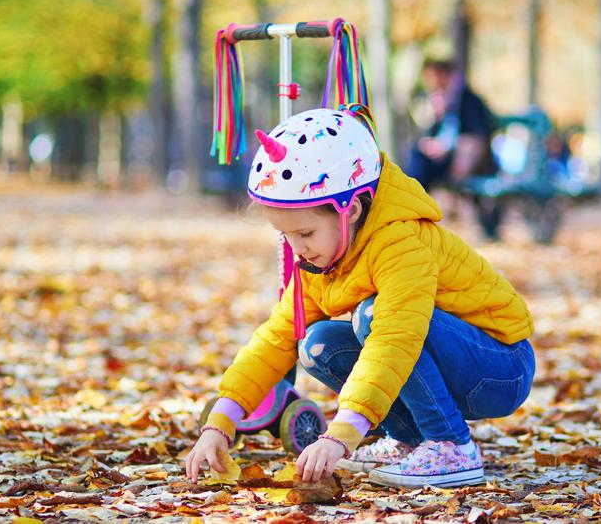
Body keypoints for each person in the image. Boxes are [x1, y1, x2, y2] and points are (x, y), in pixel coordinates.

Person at [184, 104, 535, 489]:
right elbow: (276, 337)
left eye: (305, 233)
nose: (297, 248)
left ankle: (451, 446)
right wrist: (221, 421)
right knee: (316, 344)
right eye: (286, 236)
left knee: (372, 316)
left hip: (499, 367)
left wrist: (341, 434)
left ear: (349, 210)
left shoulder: (400, 242)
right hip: (442, 356)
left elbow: (395, 339)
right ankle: (409, 439)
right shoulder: (321, 258)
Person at [406, 61, 496, 193]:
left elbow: (477, 139)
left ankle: (417, 197)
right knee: (417, 157)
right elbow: (433, 135)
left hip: (465, 161)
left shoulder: (469, 100)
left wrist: (446, 147)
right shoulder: (443, 102)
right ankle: (414, 196)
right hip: (443, 160)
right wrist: (436, 117)